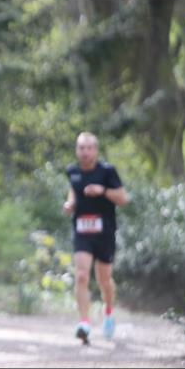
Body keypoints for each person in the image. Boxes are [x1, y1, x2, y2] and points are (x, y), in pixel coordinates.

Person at [63, 132, 129, 344]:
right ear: (77, 150)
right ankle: (84, 323)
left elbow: (123, 198)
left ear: (96, 150)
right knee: (81, 275)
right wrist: (70, 204)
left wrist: (103, 191)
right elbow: (73, 192)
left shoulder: (107, 171)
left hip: (105, 233)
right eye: (81, 148)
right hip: (82, 231)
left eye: (89, 147)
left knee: (104, 280)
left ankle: (108, 313)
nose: (85, 152)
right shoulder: (72, 172)